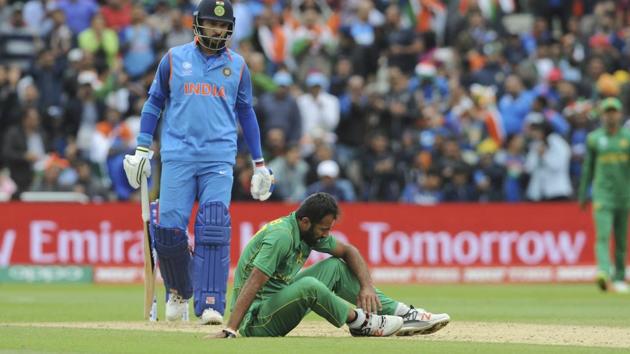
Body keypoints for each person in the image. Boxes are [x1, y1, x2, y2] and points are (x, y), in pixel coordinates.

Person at [123, 0, 274, 325]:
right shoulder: (174, 59)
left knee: (214, 224)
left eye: (223, 25)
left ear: (230, 28)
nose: (217, 29)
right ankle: (179, 290)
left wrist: (260, 163)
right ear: (197, 24)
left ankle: (211, 304)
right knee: (168, 233)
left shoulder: (238, 65)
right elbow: (154, 103)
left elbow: (246, 113)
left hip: (219, 157)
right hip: (177, 156)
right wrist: (142, 148)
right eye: (211, 23)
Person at [213, 192, 450, 338]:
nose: (326, 235)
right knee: (309, 285)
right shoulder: (282, 236)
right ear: (305, 222)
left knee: (336, 266)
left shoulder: (305, 230)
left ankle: (403, 313)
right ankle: (362, 322)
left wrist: (367, 286)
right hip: (256, 320)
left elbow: (349, 251)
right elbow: (254, 279)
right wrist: (231, 329)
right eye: (324, 229)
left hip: (277, 301)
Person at [578, 98, 630, 294]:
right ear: (602, 115)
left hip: (625, 195)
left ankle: (618, 278)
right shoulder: (594, 138)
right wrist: (583, 193)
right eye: (607, 112)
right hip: (602, 196)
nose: (611, 115)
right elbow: (587, 169)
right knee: (603, 235)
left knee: (621, 239)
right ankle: (603, 272)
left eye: (614, 112)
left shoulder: (628, 138)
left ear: (619, 114)